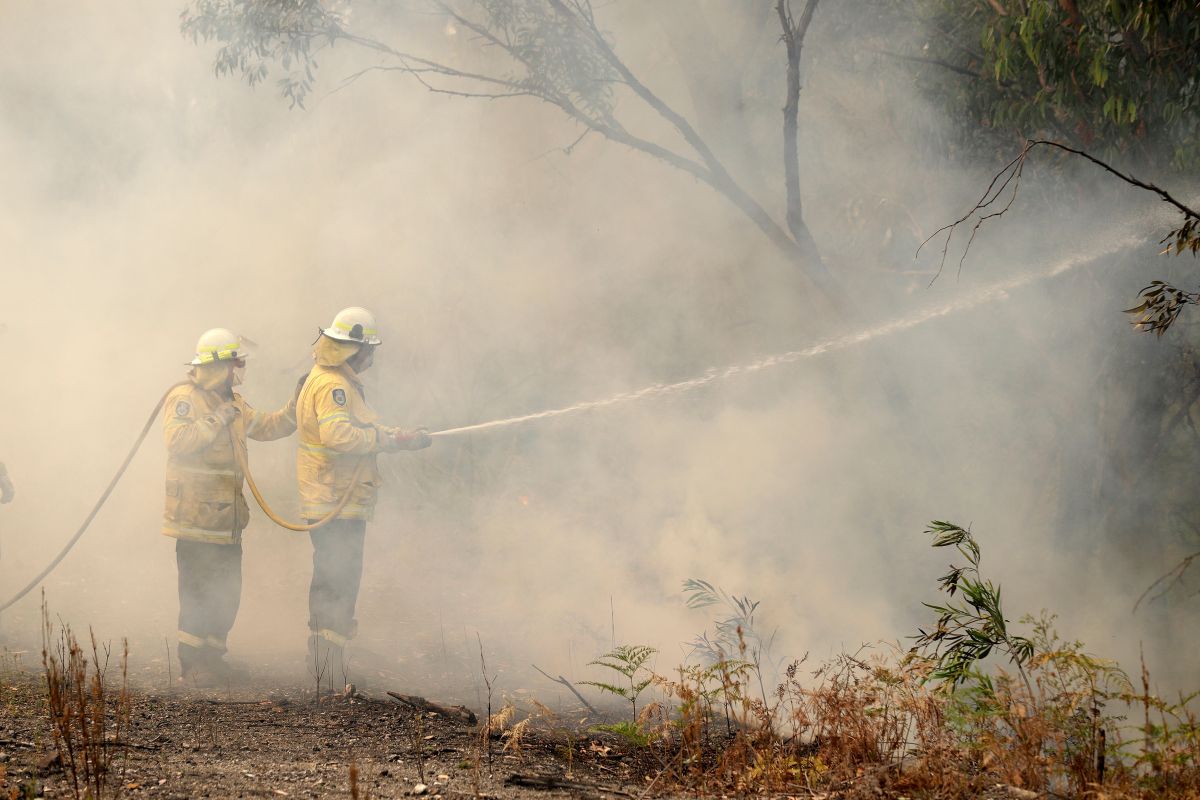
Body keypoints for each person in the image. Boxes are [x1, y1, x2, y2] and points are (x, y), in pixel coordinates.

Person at [295, 307, 431, 681]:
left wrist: (398, 436)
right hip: (334, 499)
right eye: (368, 350)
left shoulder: (332, 379)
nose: (371, 358)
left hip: (336, 497)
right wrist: (387, 441)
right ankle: (326, 666)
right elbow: (338, 436)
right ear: (353, 350)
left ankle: (328, 662)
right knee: (336, 577)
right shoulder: (334, 386)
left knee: (336, 576)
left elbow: (357, 427)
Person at [163, 328, 296, 684]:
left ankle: (213, 657)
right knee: (197, 591)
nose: (240, 370)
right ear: (219, 365)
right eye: (236, 363)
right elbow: (178, 441)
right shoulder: (185, 397)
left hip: (228, 520)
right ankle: (192, 665)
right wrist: (215, 419)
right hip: (195, 520)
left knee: (226, 592)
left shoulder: (234, 402)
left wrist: (296, 408)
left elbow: (266, 426)